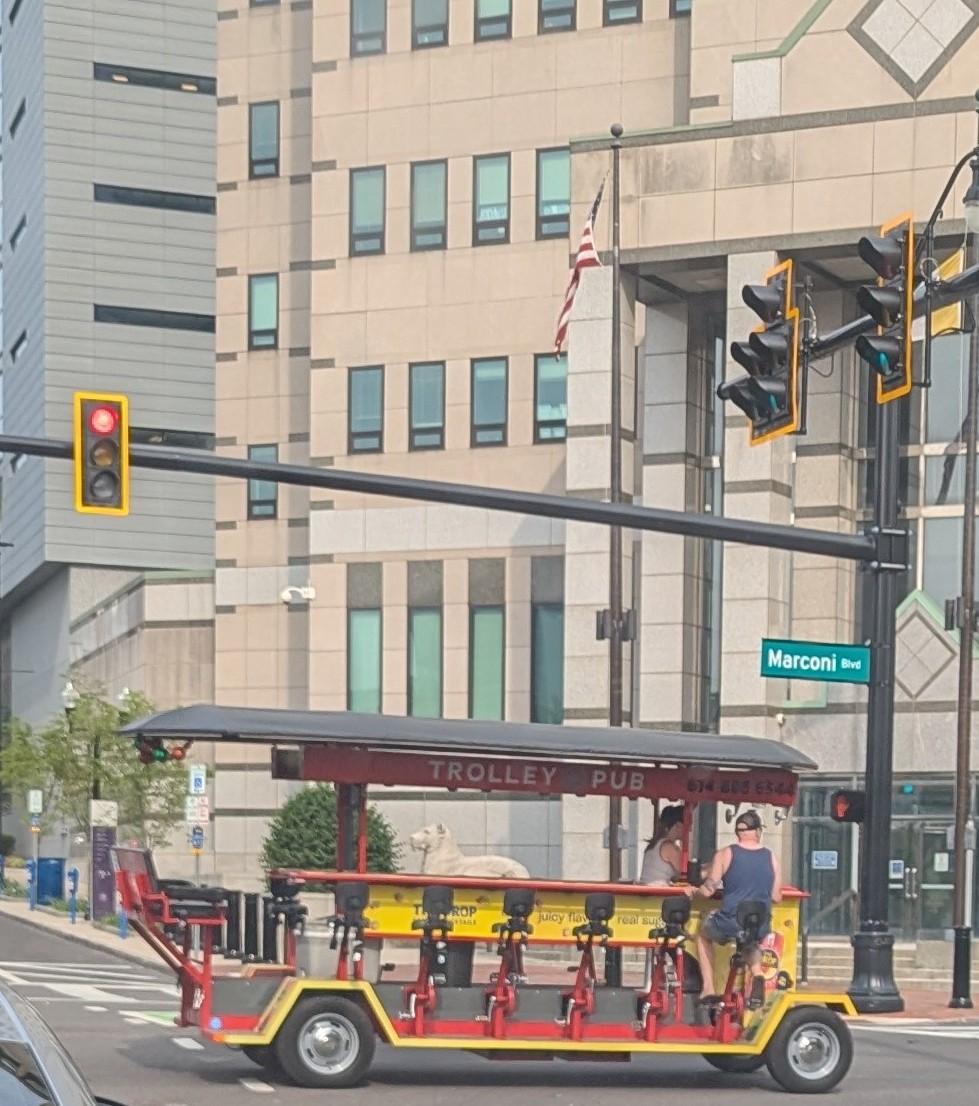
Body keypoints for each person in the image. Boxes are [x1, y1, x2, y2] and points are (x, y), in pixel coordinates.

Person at [684, 809, 782, 1008]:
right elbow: (776, 897)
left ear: (738, 832)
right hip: (760, 923)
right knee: (750, 941)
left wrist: (693, 891)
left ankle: (709, 988)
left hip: (730, 921)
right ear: (757, 832)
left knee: (703, 932)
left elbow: (708, 891)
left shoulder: (726, 853)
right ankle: (757, 975)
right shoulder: (771, 857)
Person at [639, 804, 684, 884]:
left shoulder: (657, 842)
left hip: (647, 891)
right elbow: (683, 874)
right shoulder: (668, 847)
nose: (690, 829)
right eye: (689, 824)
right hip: (658, 893)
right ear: (678, 824)